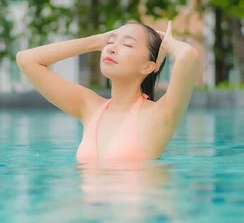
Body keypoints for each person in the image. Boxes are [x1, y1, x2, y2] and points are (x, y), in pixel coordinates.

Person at [16, 21, 201, 160]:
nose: (111, 48)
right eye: (111, 42)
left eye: (127, 44)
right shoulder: (89, 107)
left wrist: (168, 44)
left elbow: (188, 56)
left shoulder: (160, 115)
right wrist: (97, 41)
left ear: (147, 66)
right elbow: (26, 60)